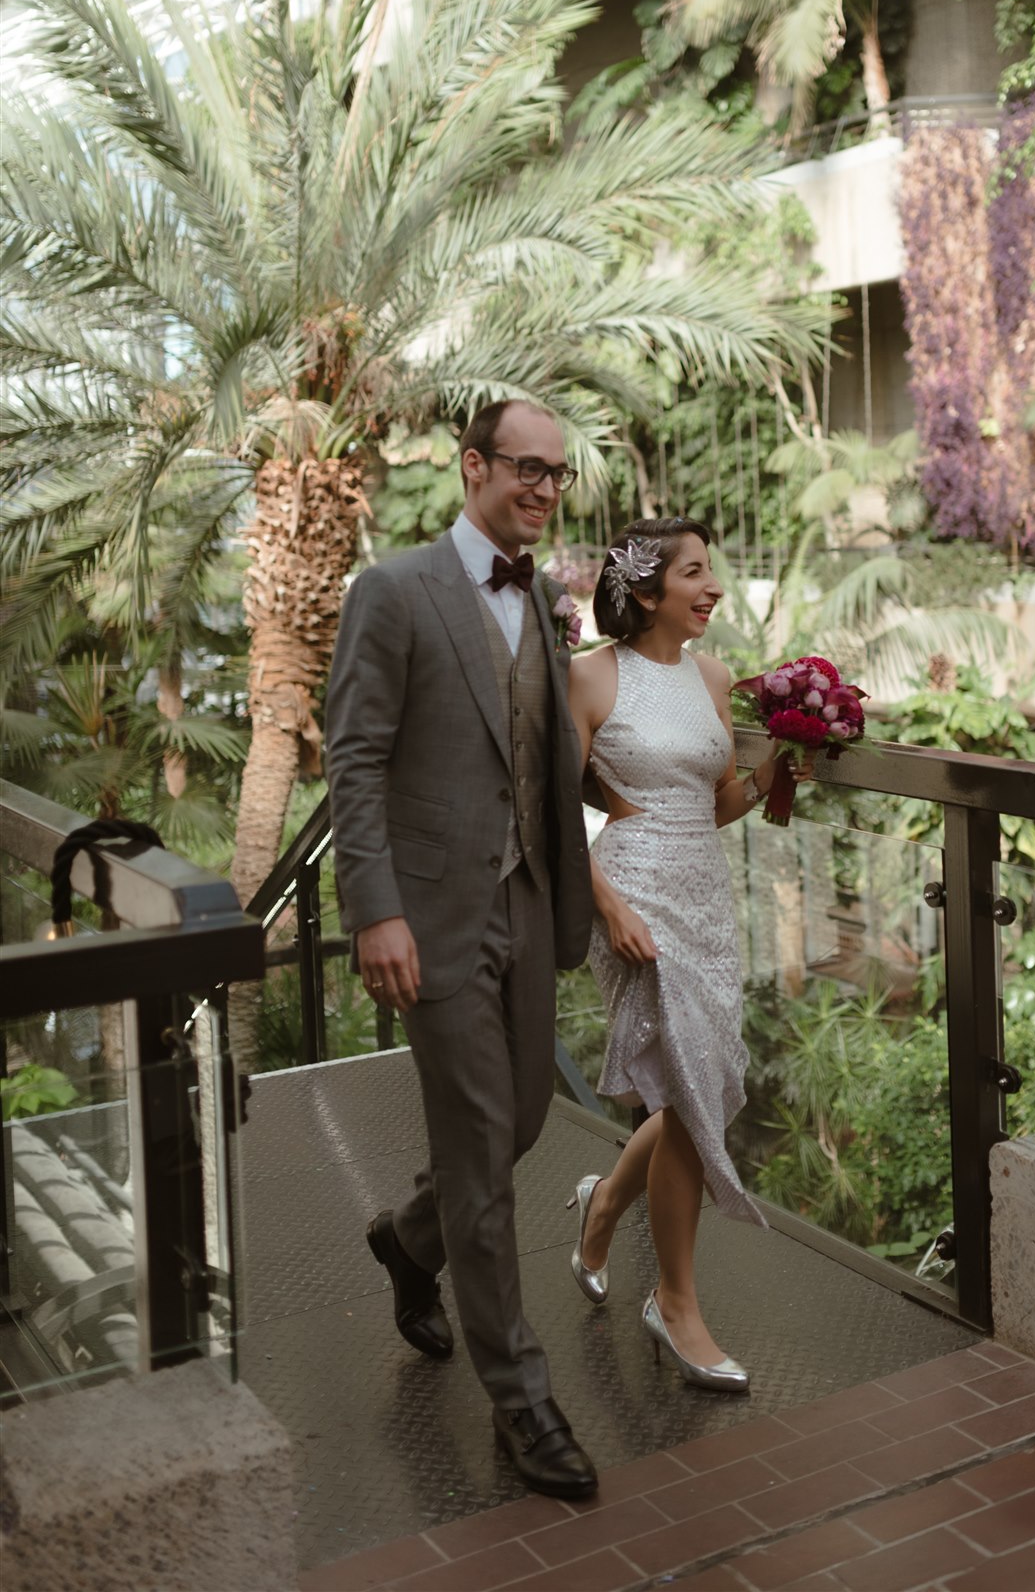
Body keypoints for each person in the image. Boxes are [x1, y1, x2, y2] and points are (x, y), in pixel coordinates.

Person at [325, 399, 598, 1499]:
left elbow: (540, 748)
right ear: (472, 464)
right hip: (432, 914)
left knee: (525, 1115)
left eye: (557, 474)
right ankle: (521, 1396)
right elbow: (353, 755)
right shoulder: (393, 589)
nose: (540, 487)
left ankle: (408, 1237)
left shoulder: (540, 594)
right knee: (485, 1146)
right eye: (524, 468)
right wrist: (373, 907)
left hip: (527, 898)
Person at [564, 516, 807, 1392]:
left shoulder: (710, 677)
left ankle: (602, 1206)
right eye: (696, 572)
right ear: (643, 587)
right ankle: (675, 1303)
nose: (713, 588)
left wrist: (780, 767)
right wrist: (609, 906)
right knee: (691, 1087)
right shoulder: (588, 676)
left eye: (713, 570)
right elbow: (555, 813)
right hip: (631, 897)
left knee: (688, 1089)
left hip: (705, 898)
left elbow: (713, 805)